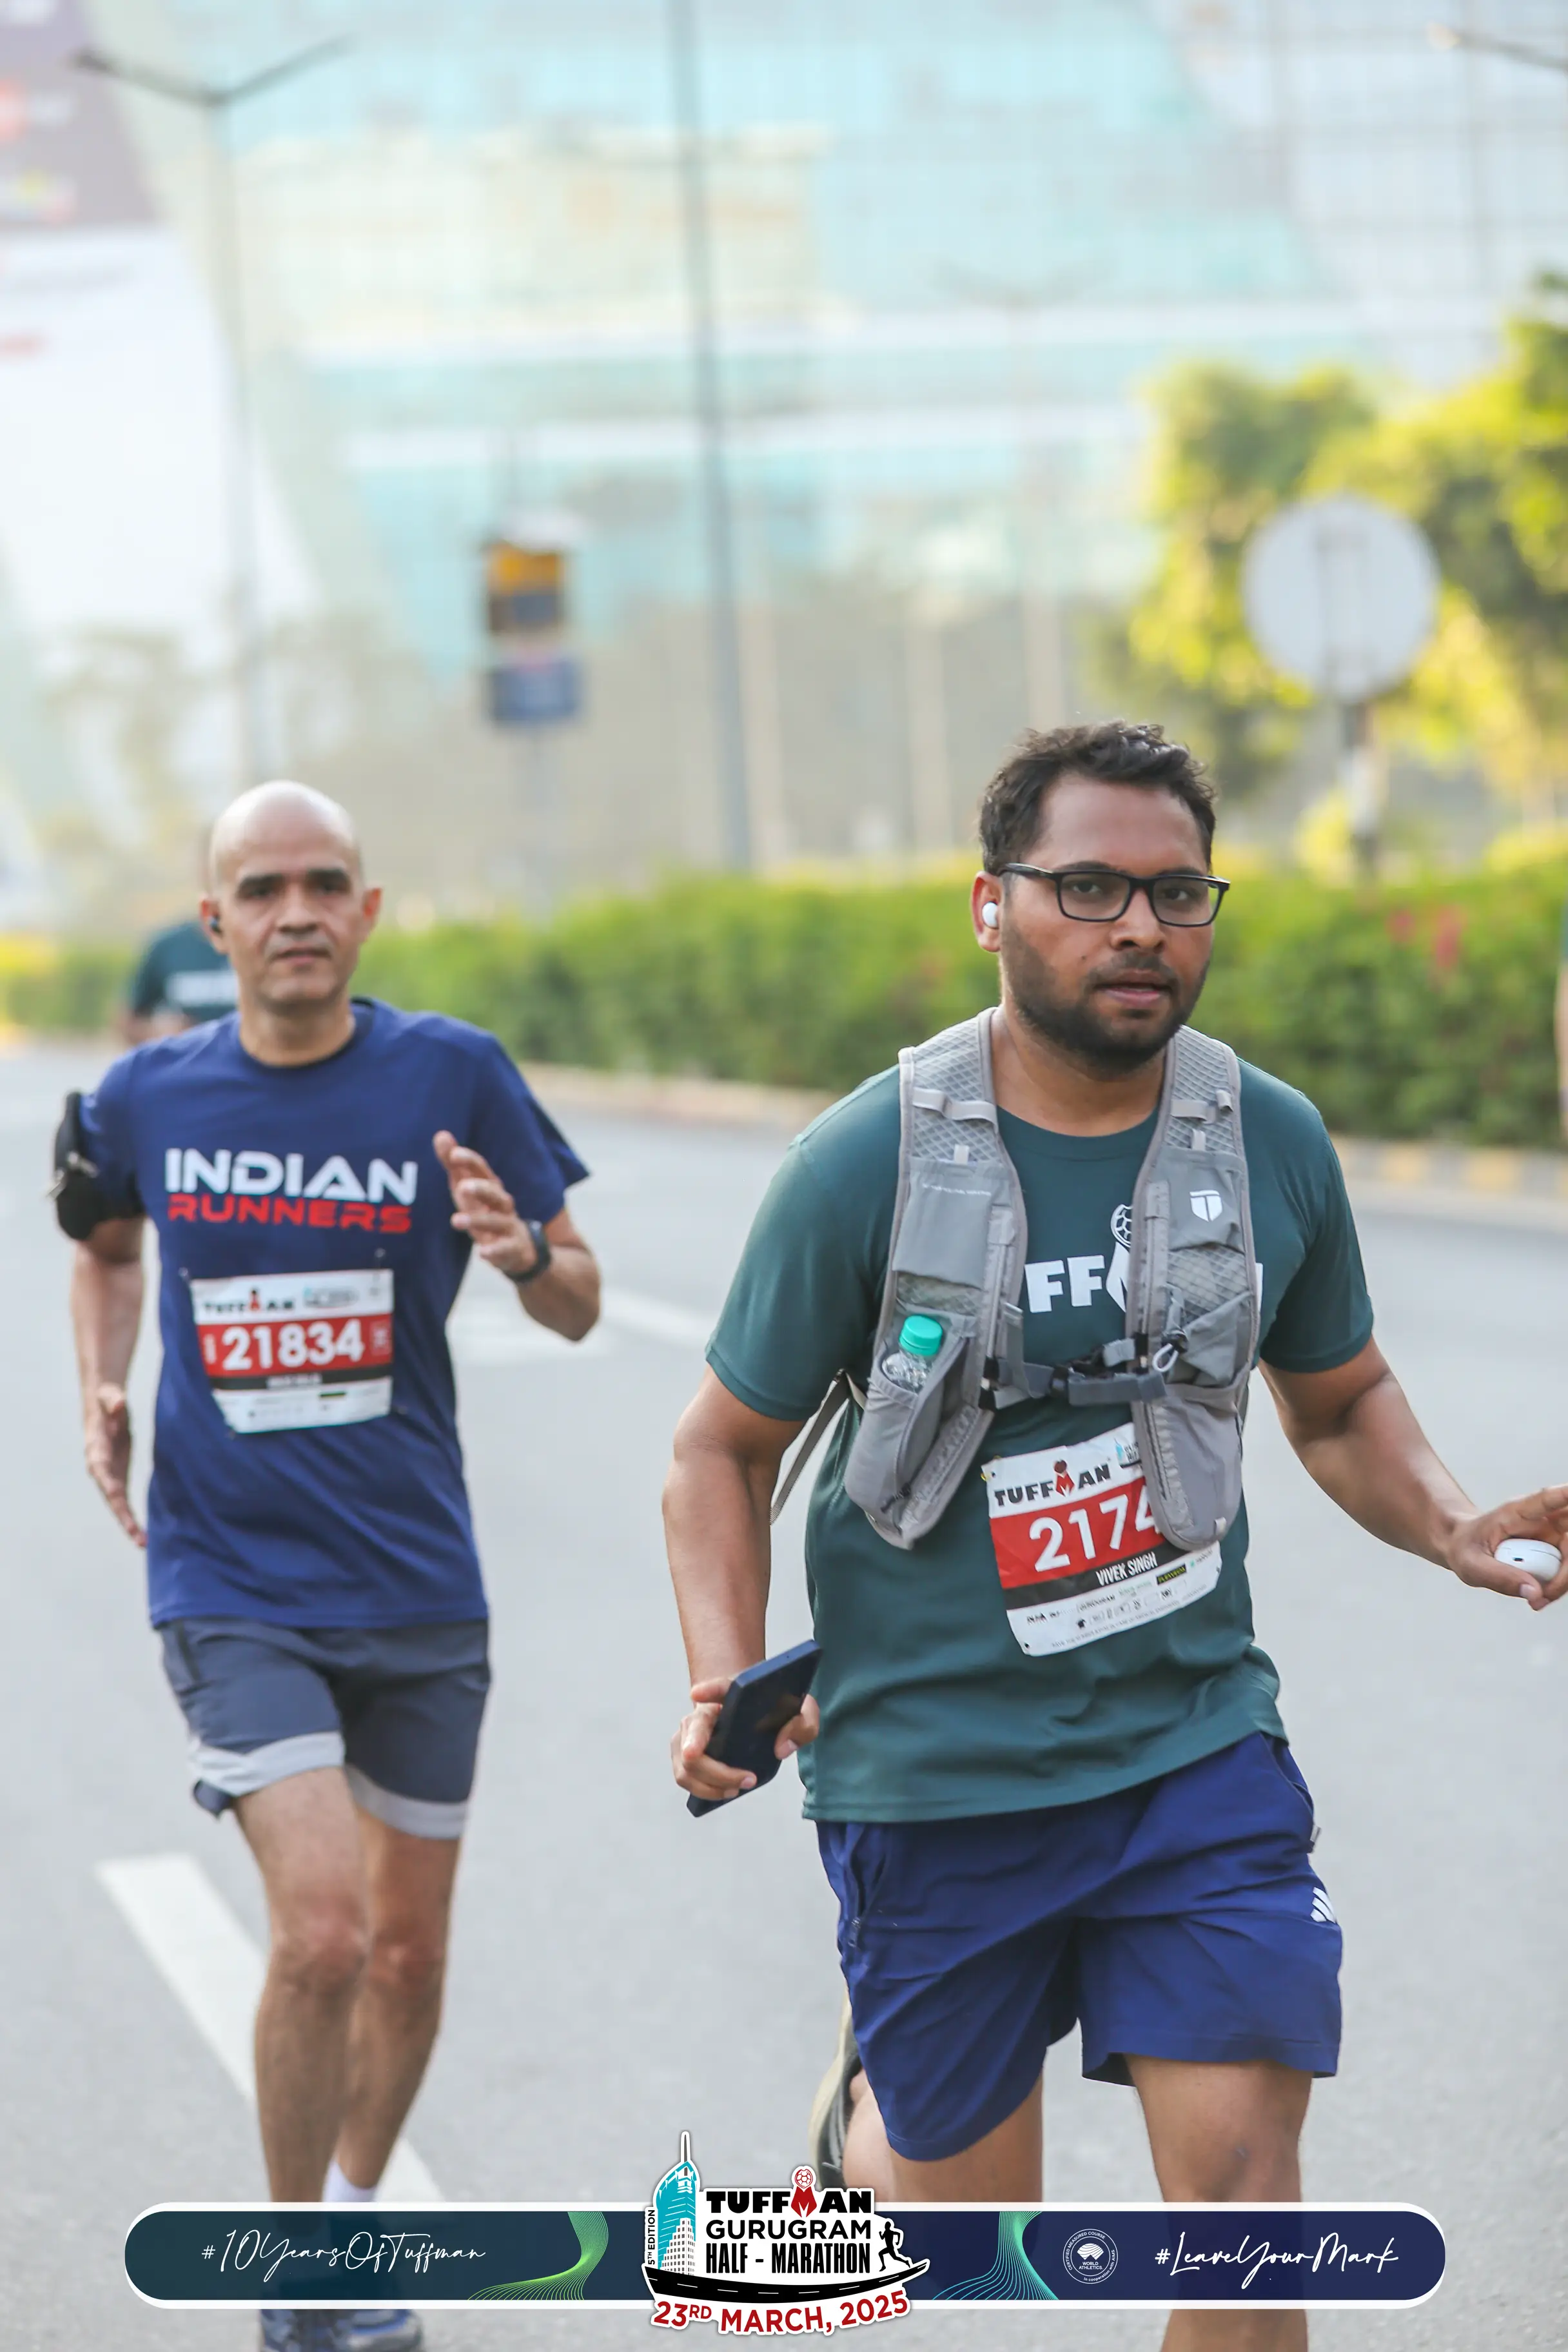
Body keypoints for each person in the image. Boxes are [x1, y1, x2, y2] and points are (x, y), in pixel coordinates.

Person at [664, 721, 1567, 2352]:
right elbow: (715, 1453)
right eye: (1086, 887)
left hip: (1189, 1749)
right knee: (962, 2219)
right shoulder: (864, 1162)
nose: (1138, 926)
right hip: (936, 1772)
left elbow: (1340, 1393)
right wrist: (724, 1676)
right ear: (990, 906)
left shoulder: (1264, 1140)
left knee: (1243, 2218)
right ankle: (869, 2131)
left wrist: (1445, 1522)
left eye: (1173, 891)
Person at [62, 781, 600, 2352]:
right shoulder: (145, 1100)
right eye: (262, 886)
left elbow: (576, 1292)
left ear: (367, 913)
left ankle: (358, 2219)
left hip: (420, 1580)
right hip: (231, 1581)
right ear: (212, 921)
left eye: (325, 883)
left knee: (410, 1947)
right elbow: (102, 1239)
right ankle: (293, 2262)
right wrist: (101, 1379)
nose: (295, 909)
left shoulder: (451, 1077)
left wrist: (520, 1259)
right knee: (322, 1932)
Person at [121, 911, 239, 1041]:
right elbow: (127, 1018)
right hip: (191, 1057)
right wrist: (156, 1033)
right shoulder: (168, 947)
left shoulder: (255, 942)